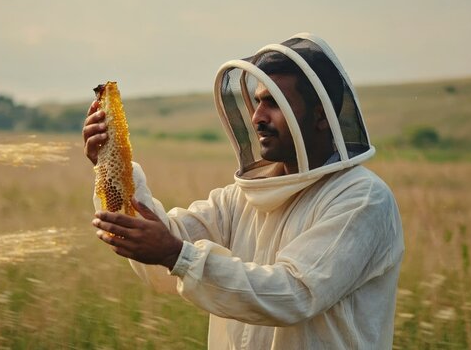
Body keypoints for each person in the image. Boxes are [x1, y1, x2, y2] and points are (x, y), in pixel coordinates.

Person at [83, 33, 404, 349]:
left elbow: (294, 293)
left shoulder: (361, 199)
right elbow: (162, 257)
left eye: (275, 103)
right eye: (258, 101)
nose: (257, 117)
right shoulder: (239, 199)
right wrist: (110, 165)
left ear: (320, 116)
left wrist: (174, 253)